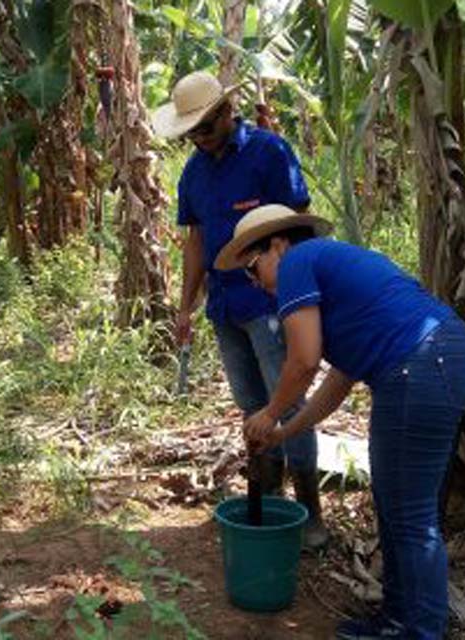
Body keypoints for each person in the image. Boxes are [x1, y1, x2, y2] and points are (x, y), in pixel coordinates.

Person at [222, 205, 465, 639]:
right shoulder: (330, 269)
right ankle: (398, 618)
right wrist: (284, 432)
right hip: (435, 358)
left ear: (278, 245)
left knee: (409, 514)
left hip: (420, 365)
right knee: (397, 505)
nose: (255, 283)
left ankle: (420, 630)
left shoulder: (299, 261)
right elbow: (338, 379)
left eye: (253, 267)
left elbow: (302, 362)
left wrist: (269, 413)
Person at [150, 70, 328, 548]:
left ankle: (310, 512)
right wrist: (186, 306)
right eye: (191, 134)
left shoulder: (269, 153)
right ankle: (269, 499)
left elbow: (299, 227)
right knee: (252, 407)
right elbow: (196, 242)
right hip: (226, 306)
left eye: (205, 129)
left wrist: (297, 295)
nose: (199, 140)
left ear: (228, 113)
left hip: (270, 302)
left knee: (287, 404)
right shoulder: (194, 172)